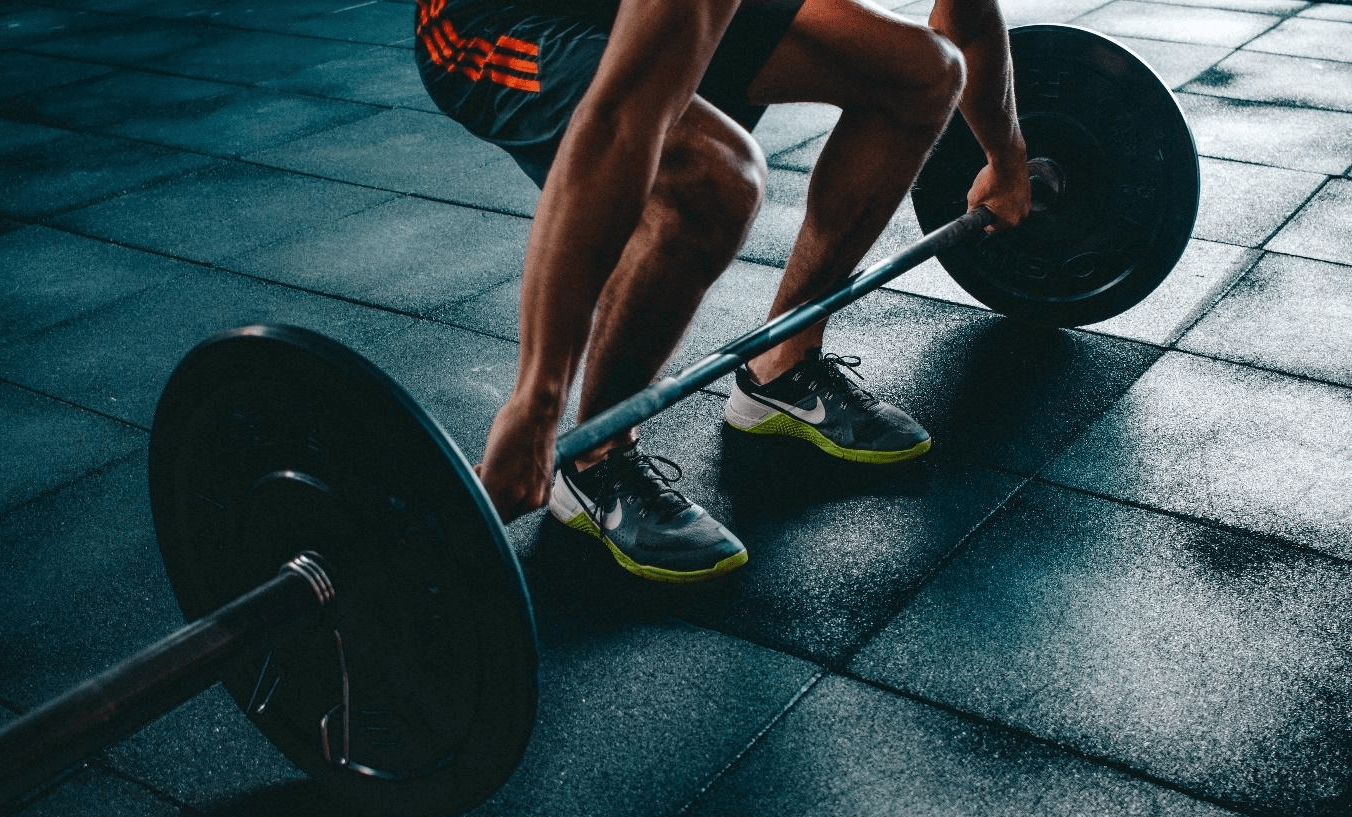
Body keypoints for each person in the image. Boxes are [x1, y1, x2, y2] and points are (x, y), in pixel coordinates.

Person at [415, 0, 1031, 582]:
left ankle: (782, 365)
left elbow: (968, 19)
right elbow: (620, 121)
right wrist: (536, 402)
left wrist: (1006, 159)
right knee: (714, 176)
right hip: (496, 19)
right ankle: (595, 460)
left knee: (923, 73)